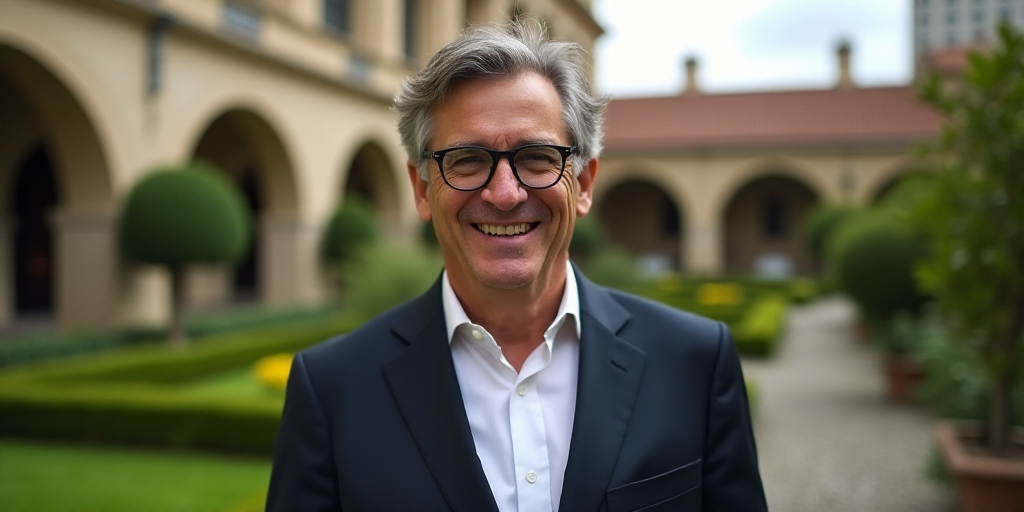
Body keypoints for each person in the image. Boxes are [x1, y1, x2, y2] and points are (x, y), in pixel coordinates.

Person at [266, 20, 766, 512]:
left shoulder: (695, 363)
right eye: (465, 159)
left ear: (584, 183)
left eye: (537, 157)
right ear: (422, 190)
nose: (505, 194)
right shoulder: (332, 389)